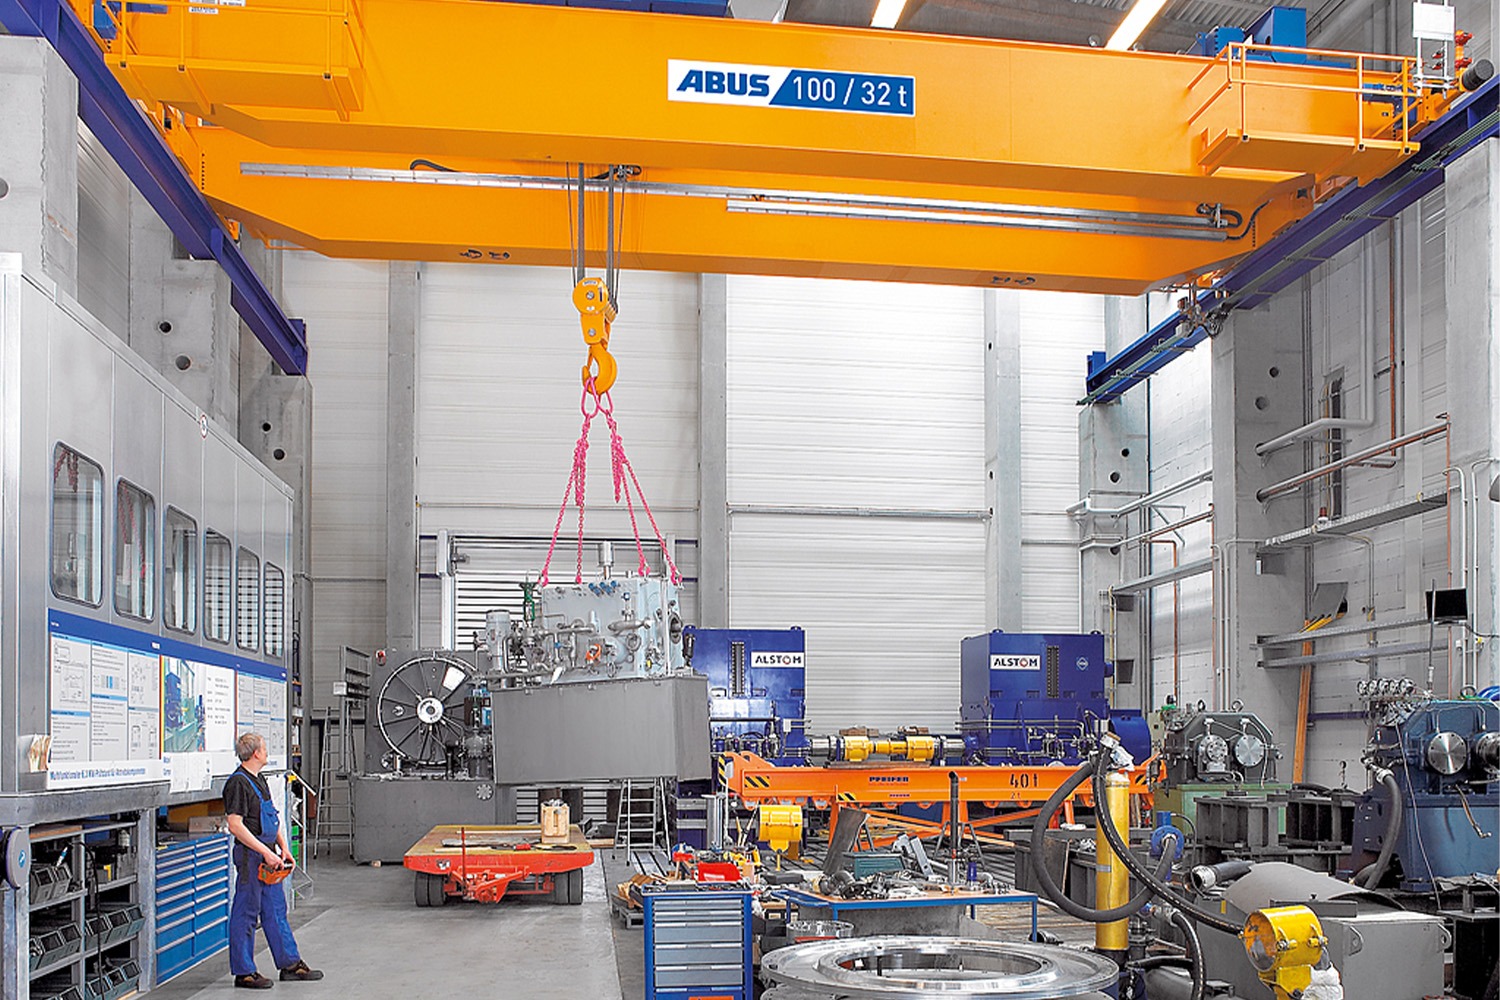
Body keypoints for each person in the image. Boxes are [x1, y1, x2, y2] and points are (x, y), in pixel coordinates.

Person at [224, 732, 323, 988]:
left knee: (276, 910)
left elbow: (272, 817)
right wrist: (265, 852)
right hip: (251, 857)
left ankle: (290, 964)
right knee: (246, 912)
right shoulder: (238, 783)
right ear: (256, 753)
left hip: (269, 857)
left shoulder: (260, 779)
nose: (267, 751)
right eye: (265, 748)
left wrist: (283, 847)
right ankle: (244, 972)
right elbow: (235, 825)